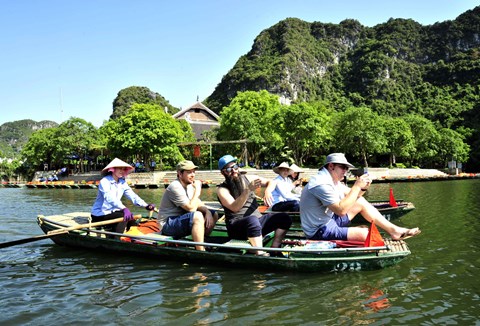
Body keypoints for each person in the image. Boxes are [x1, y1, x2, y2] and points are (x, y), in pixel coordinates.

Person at [300, 153, 421, 242]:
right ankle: (357, 233)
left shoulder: (332, 180)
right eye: (343, 167)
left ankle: (394, 230)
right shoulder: (321, 183)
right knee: (366, 234)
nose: (346, 171)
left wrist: (362, 188)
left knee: (360, 202)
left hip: (329, 221)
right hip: (319, 230)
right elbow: (341, 211)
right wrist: (357, 186)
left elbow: (354, 196)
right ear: (331, 166)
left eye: (347, 168)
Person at [216, 154, 293, 256]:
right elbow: (235, 207)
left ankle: (274, 248)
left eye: (235, 167)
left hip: (257, 223)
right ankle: (259, 252)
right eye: (229, 169)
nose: (234, 171)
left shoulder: (249, 178)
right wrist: (248, 189)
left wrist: (268, 191)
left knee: (284, 218)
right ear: (223, 172)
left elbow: (272, 182)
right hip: (237, 227)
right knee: (252, 220)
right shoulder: (222, 189)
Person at [158, 160, 218, 251]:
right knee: (197, 215)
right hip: (167, 224)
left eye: (194, 172)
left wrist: (208, 212)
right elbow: (192, 209)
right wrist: (198, 189)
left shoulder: (189, 186)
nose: (193, 175)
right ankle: (200, 250)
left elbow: (198, 203)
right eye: (189, 172)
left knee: (214, 214)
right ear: (180, 174)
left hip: (181, 219)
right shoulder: (175, 186)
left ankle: (202, 239)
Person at [91, 158, 156, 235]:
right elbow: (109, 198)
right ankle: (117, 240)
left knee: (131, 218)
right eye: (119, 169)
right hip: (100, 214)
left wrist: (146, 205)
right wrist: (123, 208)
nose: (122, 171)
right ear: (113, 169)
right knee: (123, 217)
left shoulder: (122, 183)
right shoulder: (104, 181)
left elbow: (133, 196)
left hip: (113, 212)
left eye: (123, 169)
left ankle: (132, 238)